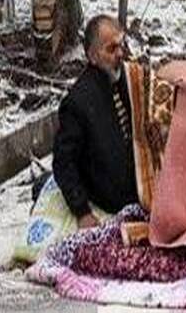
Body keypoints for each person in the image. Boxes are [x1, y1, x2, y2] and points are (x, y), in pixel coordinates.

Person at [52, 14, 138, 227]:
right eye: (111, 49)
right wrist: (82, 211)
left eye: (121, 45)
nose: (120, 53)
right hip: (111, 199)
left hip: (139, 188)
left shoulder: (126, 78)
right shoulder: (78, 103)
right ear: (92, 56)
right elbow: (63, 162)